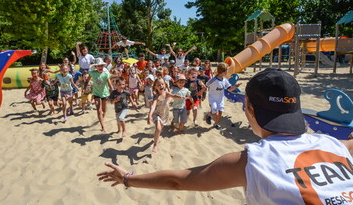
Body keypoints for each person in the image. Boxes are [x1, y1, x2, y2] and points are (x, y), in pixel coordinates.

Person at [98, 68, 353, 204]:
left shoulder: (252, 161)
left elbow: (180, 180)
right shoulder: (336, 146)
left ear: (249, 109)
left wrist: (129, 178)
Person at [148, 78, 187, 152]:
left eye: (162, 84)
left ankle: (156, 138)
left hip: (164, 115)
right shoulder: (156, 96)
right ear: (155, 87)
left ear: (165, 85)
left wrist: (180, 97)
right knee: (158, 128)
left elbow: (173, 95)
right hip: (157, 114)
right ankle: (155, 145)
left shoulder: (166, 93)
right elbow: (153, 106)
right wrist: (150, 115)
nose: (161, 86)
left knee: (160, 129)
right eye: (158, 85)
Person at [205, 63, 241, 128]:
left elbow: (229, 89)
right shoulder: (213, 80)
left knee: (220, 114)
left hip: (221, 99)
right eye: (227, 70)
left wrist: (235, 86)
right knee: (215, 114)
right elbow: (206, 85)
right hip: (213, 99)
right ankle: (208, 114)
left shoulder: (224, 80)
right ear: (224, 72)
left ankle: (216, 124)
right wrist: (201, 93)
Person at [90, 58, 113, 132]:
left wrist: (113, 92)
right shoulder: (92, 73)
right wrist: (84, 87)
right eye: (98, 65)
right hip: (96, 94)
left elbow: (110, 85)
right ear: (96, 67)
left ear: (103, 66)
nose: (100, 67)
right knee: (98, 110)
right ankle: (103, 126)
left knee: (104, 110)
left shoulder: (106, 74)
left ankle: (102, 118)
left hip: (105, 93)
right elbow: (87, 80)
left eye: (101, 65)